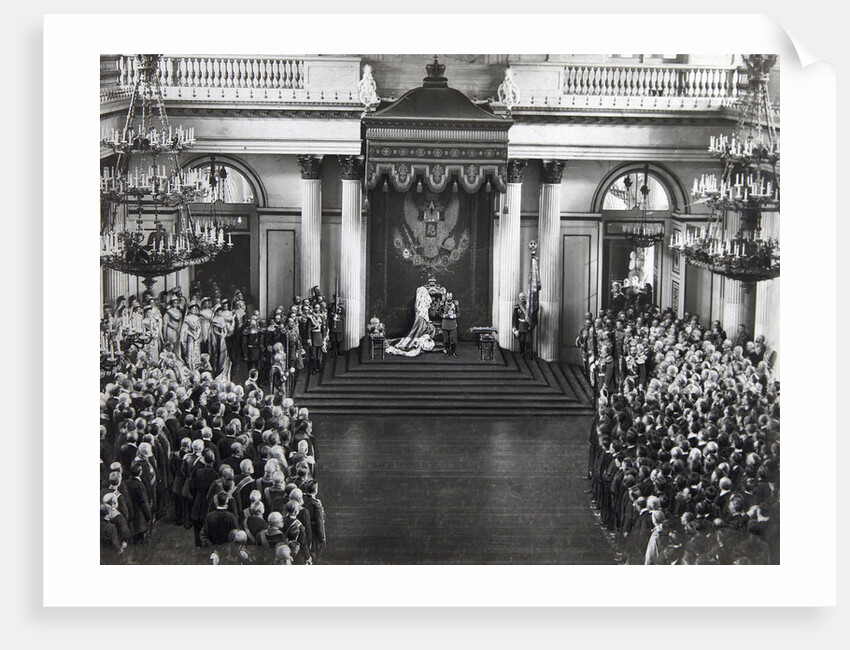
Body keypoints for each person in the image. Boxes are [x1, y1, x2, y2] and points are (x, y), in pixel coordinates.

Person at [512, 292, 535, 360]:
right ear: (519, 298)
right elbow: (514, 319)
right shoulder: (517, 308)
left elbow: (532, 317)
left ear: (525, 298)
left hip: (527, 326)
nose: (522, 298)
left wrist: (531, 325)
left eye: (523, 297)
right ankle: (522, 354)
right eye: (520, 297)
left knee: (528, 341)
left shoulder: (529, 307)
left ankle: (528, 354)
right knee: (521, 341)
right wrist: (514, 328)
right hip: (521, 326)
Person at [440, 291, 459, 358]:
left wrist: (454, 315)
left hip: (452, 324)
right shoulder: (442, 304)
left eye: (450, 297)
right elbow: (440, 313)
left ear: (452, 297)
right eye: (448, 297)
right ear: (446, 297)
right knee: (446, 339)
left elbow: (458, 313)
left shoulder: (455, 303)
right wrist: (443, 315)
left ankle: (453, 352)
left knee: (453, 339)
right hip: (445, 324)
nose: (449, 298)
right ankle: (447, 352)